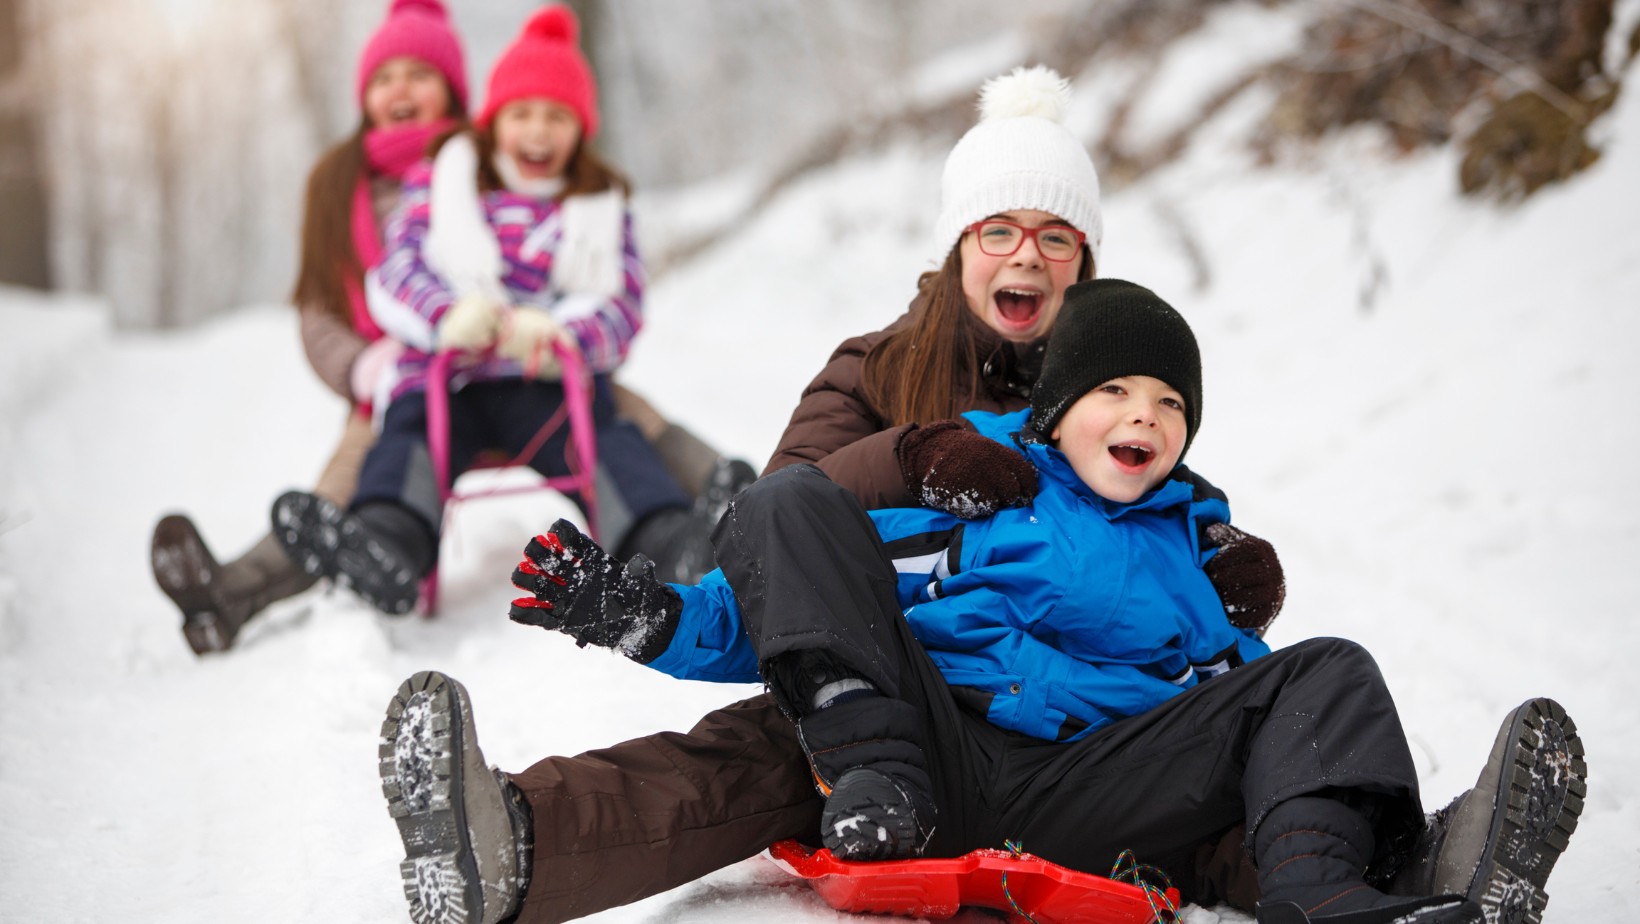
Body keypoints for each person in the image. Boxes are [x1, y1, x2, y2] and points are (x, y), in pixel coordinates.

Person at [373, 65, 1284, 922]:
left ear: (1083, 261)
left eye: (1056, 236)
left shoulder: (1125, 391)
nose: (1028, 257)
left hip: (1094, 735)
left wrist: (1226, 567)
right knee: (778, 740)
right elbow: (783, 543)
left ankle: (1379, 864)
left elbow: (1169, 570)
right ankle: (516, 843)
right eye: (998, 229)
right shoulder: (875, 372)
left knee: (1227, 781)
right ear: (962, 242)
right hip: (902, 710)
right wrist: (905, 461)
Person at [383, 280, 1586, 924]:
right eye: (1112, 389)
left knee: (1325, 673)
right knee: (785, 517)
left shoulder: (1197, 542)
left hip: (1098, 774)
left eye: (1169, 404)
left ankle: (1367, 892)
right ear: (1054, 406)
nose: (1143, 417)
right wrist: (648, 618)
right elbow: (799, 605)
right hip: (917, 746)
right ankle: (512, 853)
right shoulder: (978, 479)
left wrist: (1251, 640)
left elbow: (1249, 723)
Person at [149, 0, 750, 651]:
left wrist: (555, 334)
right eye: (385, 77)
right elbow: (373, 281)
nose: (401, 90)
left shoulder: (563, 194)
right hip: (427, 371)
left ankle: (715, 522)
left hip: (536, 372)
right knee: (387, 456)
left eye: (419, 75)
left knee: (617, 432)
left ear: (459, 95)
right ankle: (350, 556)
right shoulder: (402, 185)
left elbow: (615, 296)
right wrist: (402, 342)